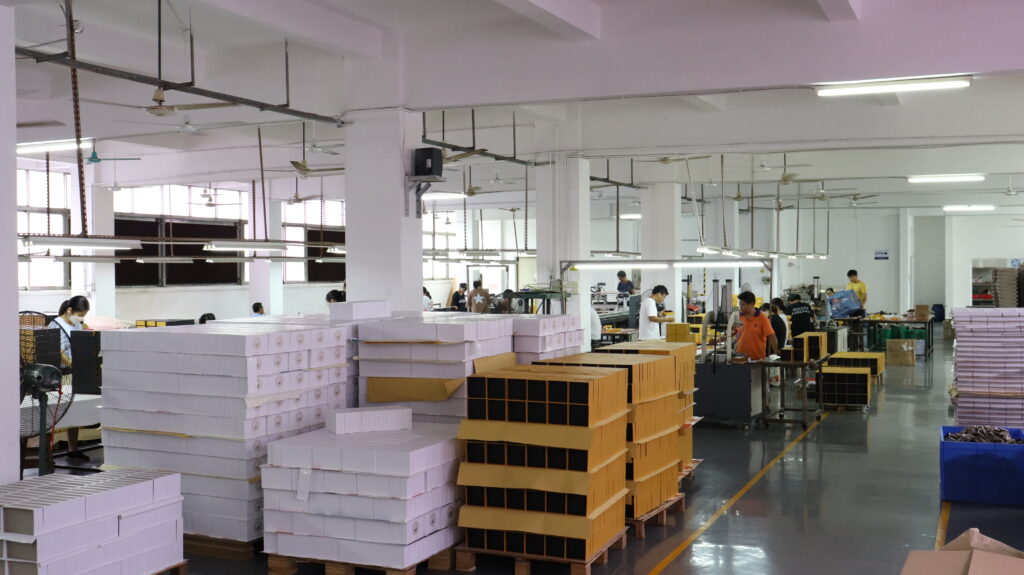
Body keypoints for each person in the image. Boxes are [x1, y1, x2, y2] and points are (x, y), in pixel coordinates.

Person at [736, 291, 779, 361]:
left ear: (752, 304)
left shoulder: (762, 317)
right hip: (740, 358)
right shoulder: (739, 316)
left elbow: (771, 335)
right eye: (740, 305)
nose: (740, 308)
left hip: (757, 359)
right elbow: (733, 332)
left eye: (743, 305)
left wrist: (776, 350)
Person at [50, 295, 89, 368]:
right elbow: (58, 352)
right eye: (80, 315)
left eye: (84, 316)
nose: (81, 319)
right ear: (69, 310)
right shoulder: (55, 325)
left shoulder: (78, 325)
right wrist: (75, 366)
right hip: (64, 371)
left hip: (77, 367)